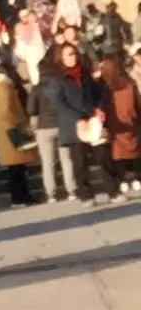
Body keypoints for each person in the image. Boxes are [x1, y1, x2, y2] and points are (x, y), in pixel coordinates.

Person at [46, 43, 109, 204]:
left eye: (74, 53)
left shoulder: (85, 74)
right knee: (80, 162)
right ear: (61, 58)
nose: (73, 57)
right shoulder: (57, 79)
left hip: (92, 120)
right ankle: (85, 194)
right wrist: (77, 118)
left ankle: (113, 189)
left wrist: (98, 108)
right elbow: (59, 104)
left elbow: (97, 94)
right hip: (73, 125)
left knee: (103, 155)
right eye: (69, 54)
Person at [0, 59, 38, 208]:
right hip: (12, 130)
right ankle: (19, 198)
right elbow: (6, 110)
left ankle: (23, 196)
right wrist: (17, 124)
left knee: (16, 168)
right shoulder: (4, 86)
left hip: (6, 131)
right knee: (17, 169)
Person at [28, 57, 77, 203]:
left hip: (44, 127)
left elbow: (31, 109)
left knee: (48, 162)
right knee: (67, 159)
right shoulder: (61, 85)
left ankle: (51, 194)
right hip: (62, 125)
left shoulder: (36, 88)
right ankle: (72, 190)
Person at [97, 54, 141, 194]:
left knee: (117, 153)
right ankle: (136, 177)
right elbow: (137, 103)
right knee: (134, 151)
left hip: (113, 124)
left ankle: (123, 179)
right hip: (130, 121)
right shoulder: (129, 83)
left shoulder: (104, 86)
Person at [14, 6, 46, 86]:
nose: (26, 18)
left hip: (38, 52)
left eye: (27, 16)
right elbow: (20, 46)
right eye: (23, 17)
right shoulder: (19, 27)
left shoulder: (37, 25)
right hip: (29, 52)